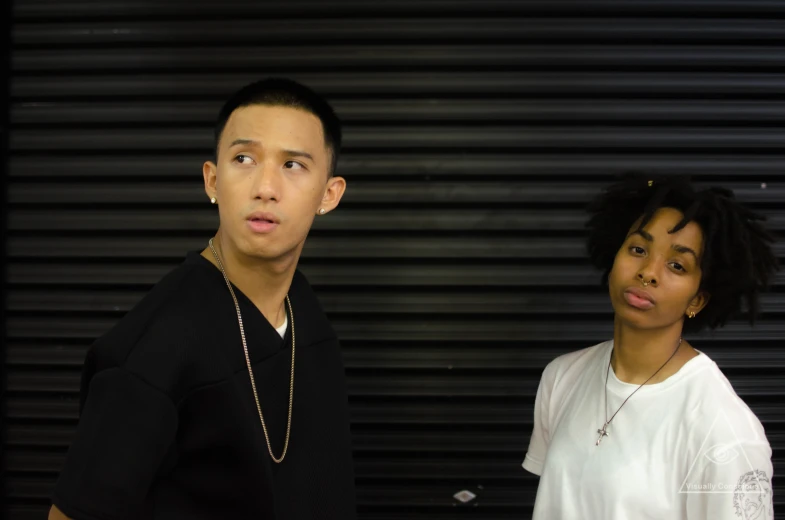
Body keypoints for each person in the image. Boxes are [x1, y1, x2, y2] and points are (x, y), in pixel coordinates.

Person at [49, 78, 356, 519]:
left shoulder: (301, 308)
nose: (265, 187)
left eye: (293, 165)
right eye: (244, 158)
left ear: (329, 194)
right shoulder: (155, 348)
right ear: (213, 180)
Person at [523, 175, 778, 519]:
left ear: (698, 300)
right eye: (638, 249)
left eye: (677, 265)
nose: (648, 272)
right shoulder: (562, 376)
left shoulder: (724, 431)